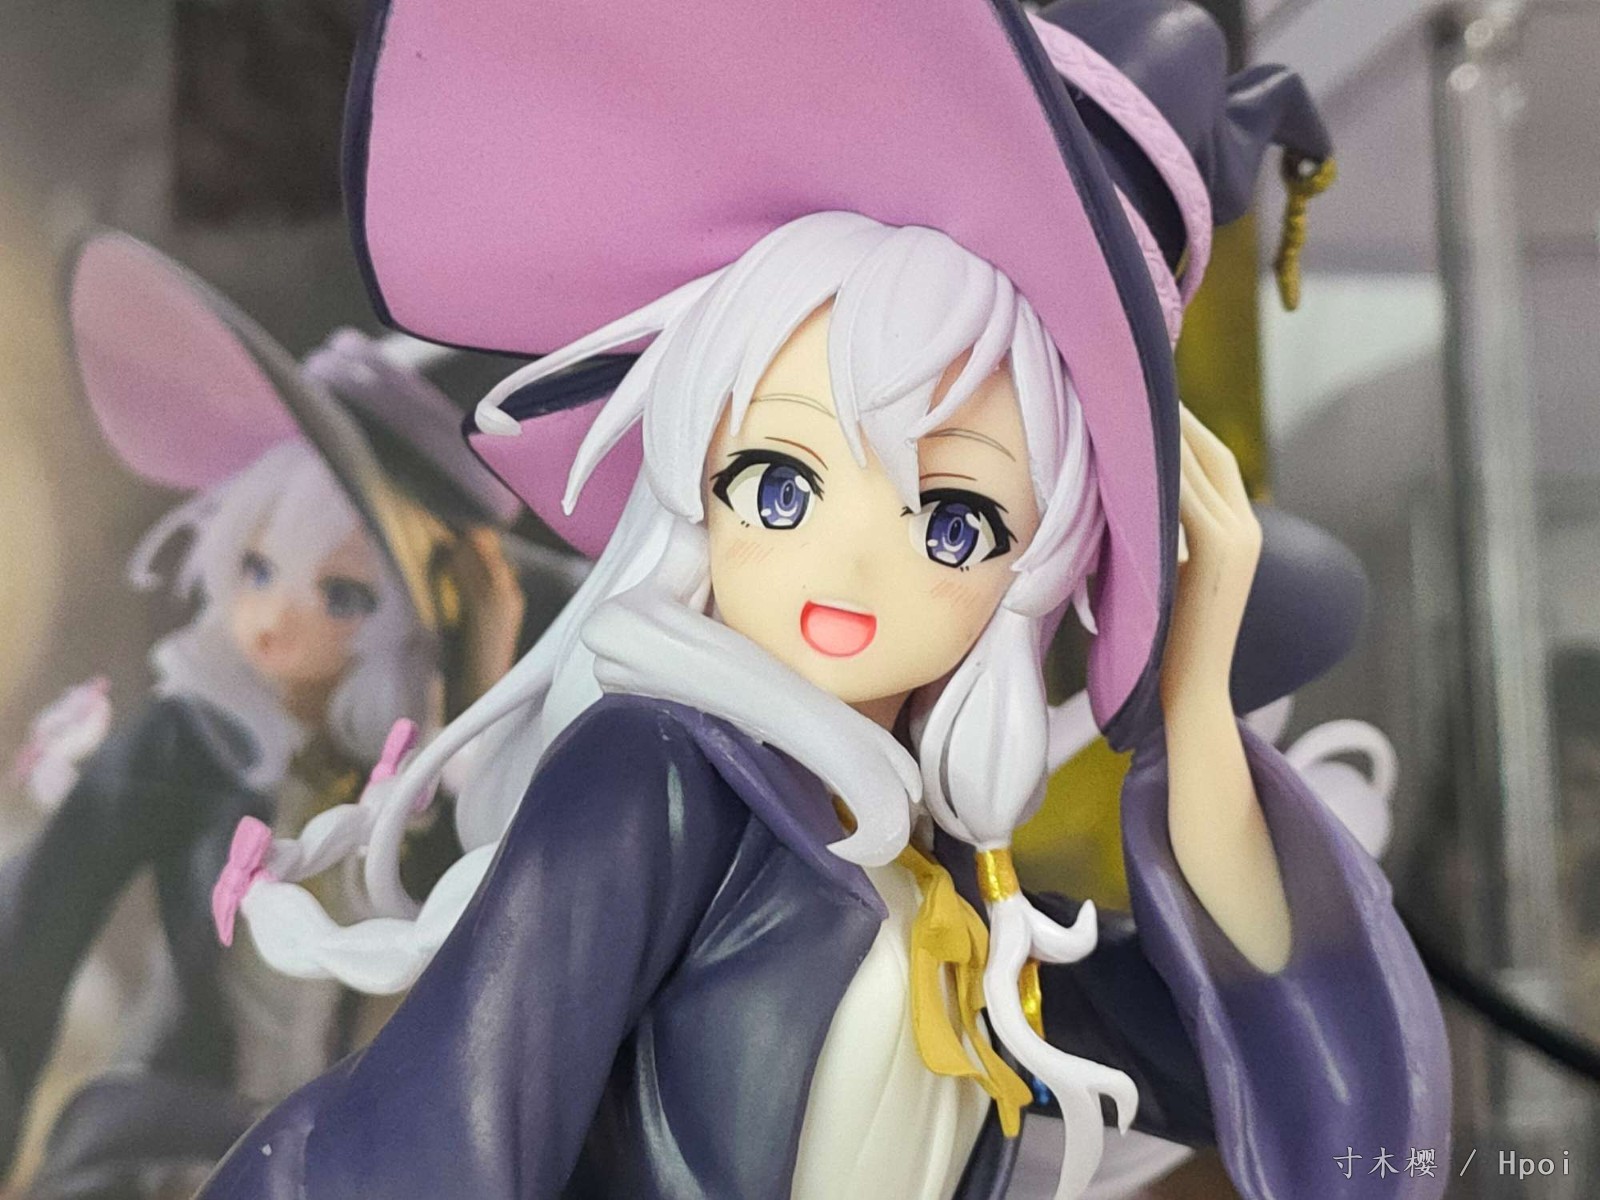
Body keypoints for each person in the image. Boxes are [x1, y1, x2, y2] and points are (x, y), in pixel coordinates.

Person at [203, 3, 1450, 1198]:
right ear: (695, 481)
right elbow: (451, 1143)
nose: (848, 570)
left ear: (1036, 567)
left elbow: (1253, 1064)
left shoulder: (949, 888)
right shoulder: (656, 783)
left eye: (952, 523)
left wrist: (1191, 678)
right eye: (781, 486)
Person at [0, 232, 525, 1199]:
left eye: (342, 596)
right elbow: (34, 934)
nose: (275, 620)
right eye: (256, 567)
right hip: (168, 1145)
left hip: (348, 1159)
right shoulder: (186, 742)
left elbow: (492, 948)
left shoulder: (414, 786)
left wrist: (478, 679)